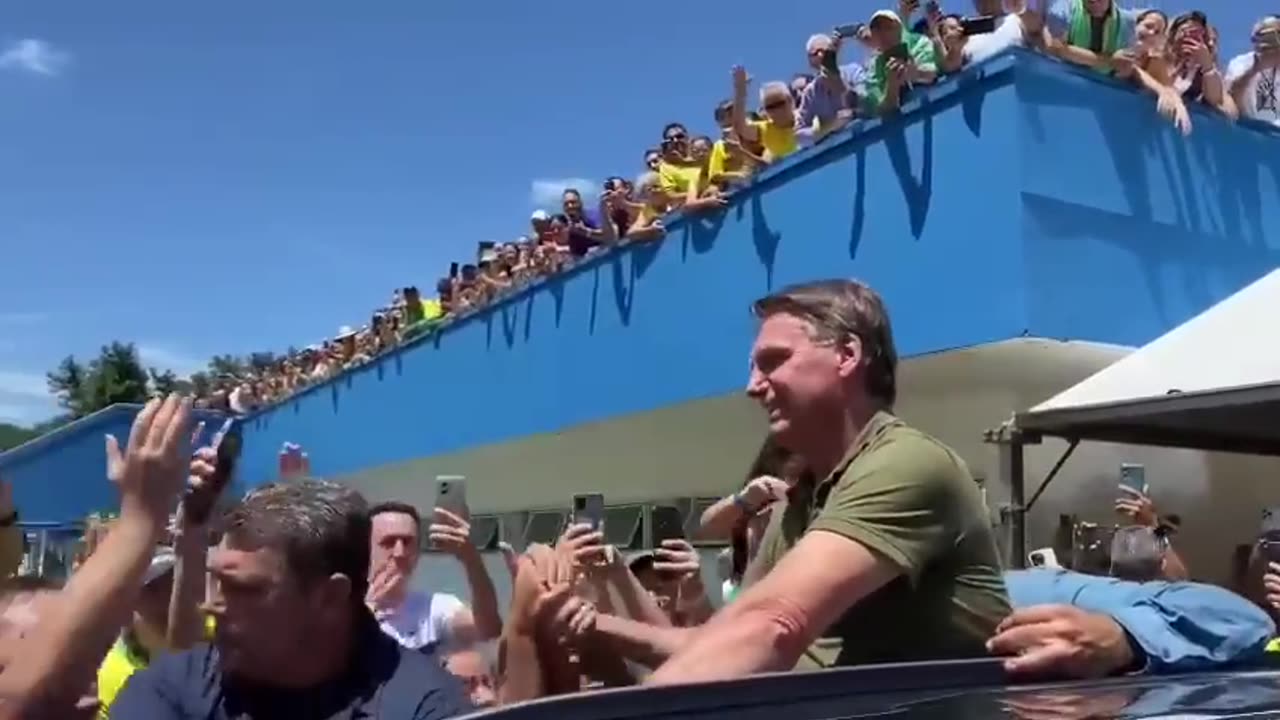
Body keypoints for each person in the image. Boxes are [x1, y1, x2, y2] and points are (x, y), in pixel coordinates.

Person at [648, 279, 1009, 684]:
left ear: (846, 355)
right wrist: (596, 624)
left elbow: (769, 626)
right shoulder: (801, 499)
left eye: (773, 360)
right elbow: (726, 634)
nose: (752, 387)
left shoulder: (905, 463)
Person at [110, 480, 470, 719]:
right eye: (216, 581)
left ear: (329, 598)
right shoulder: (171, 689)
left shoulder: (426, 706)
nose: (213, 605)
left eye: (244, 589)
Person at [365, 501, 502, 654]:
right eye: (388, 542)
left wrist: (471, 559)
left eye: (407, 542)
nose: (400, 553)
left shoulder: (433, 608)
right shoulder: (344, 608)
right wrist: (367, 612)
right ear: (366, 549)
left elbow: (490, 633)